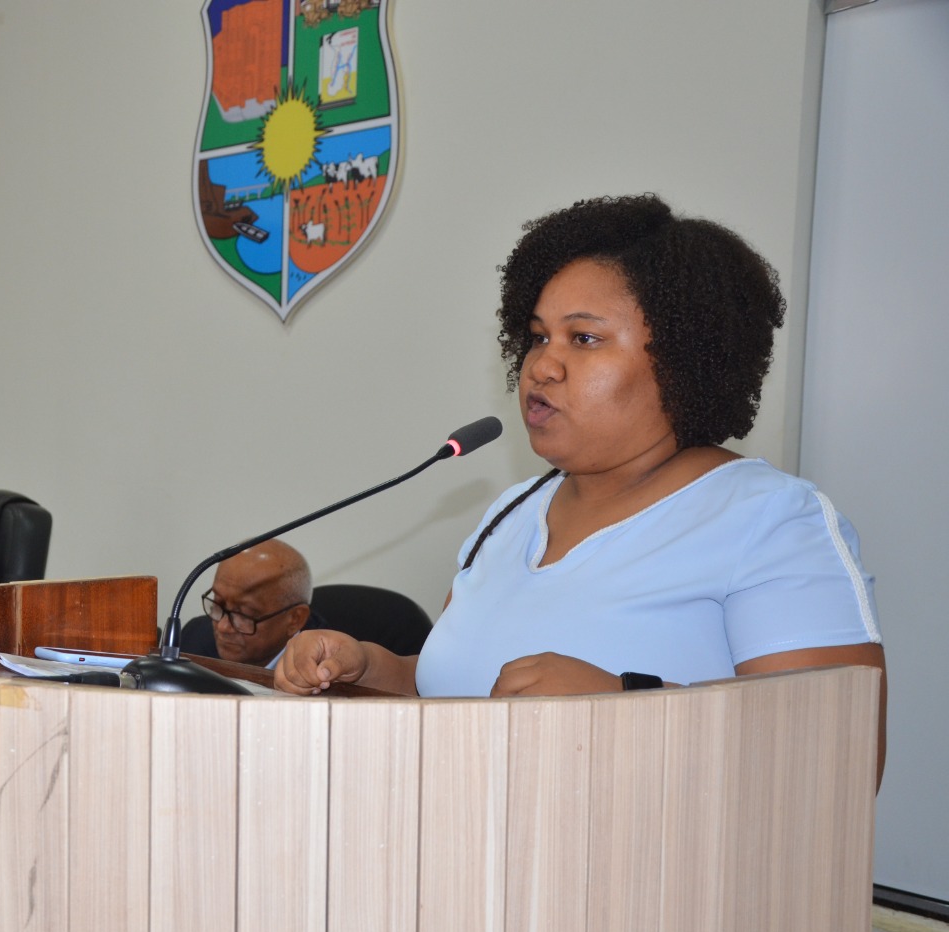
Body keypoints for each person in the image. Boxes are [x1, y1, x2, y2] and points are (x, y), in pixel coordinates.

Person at [274, 194, 886, 775]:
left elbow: (837, 758)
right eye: (539, 336)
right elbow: (458, 692)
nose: (542, 365)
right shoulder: (512, 513)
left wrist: (624, 701)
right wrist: (367, 667)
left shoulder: (770, 521)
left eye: (584, 338)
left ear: (683, 360)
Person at [180, 539, 321, 667]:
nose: (223, 627)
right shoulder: (194, 638)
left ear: (295, 619)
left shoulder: (322, 670)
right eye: (218, 604)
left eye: (243, 614)